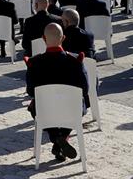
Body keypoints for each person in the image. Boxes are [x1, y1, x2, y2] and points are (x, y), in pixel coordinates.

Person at [26, 22, 88, 163]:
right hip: (71, 109)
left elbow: (30, 91)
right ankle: (61, 139)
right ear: (63, 38)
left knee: (34, 107)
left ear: (44, 38)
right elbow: (85, 89)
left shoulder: (34, 62)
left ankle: (56, 138)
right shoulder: (75, 60)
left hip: (45, 110)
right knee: (81, 104)